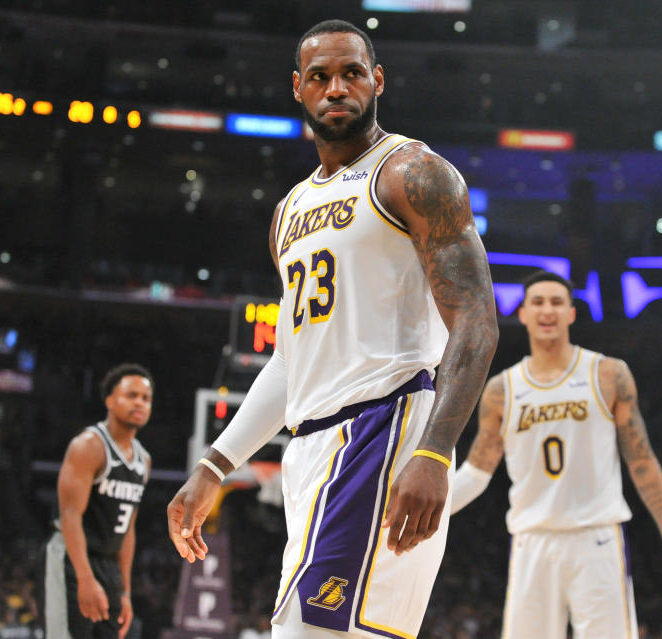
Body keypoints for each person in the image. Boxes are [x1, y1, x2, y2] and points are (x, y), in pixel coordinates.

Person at [167, 18, 498, 639]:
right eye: (319, 77)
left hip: (384, 429)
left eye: (351, 73)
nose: (336, 88)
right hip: (311, 453)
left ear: (377, 80)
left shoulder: (413, 173)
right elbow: (292, 362)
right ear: (298, 88)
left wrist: (434, 450)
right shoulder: (289, 211)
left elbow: (476, 319)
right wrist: (215, 466)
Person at [451, 270, 662, 638]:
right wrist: (413, 517)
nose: (547, 310)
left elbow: (642, 461)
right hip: (531, 538)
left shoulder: (608, 374)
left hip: (597, 539)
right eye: (537, 302)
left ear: (571, 313)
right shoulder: (501, 390)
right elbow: (476, 473)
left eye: (557, 302)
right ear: (522, 313)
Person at [44, 364, 154, 639]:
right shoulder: (88, 446)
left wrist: (125, 591)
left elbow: (128, 529)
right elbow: (70, 515)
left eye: (146, 398)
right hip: (71, 558)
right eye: (132, 395)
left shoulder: (144, 460)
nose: (140, 402)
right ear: (110, 401)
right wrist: (84, 577)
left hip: (109, 564)